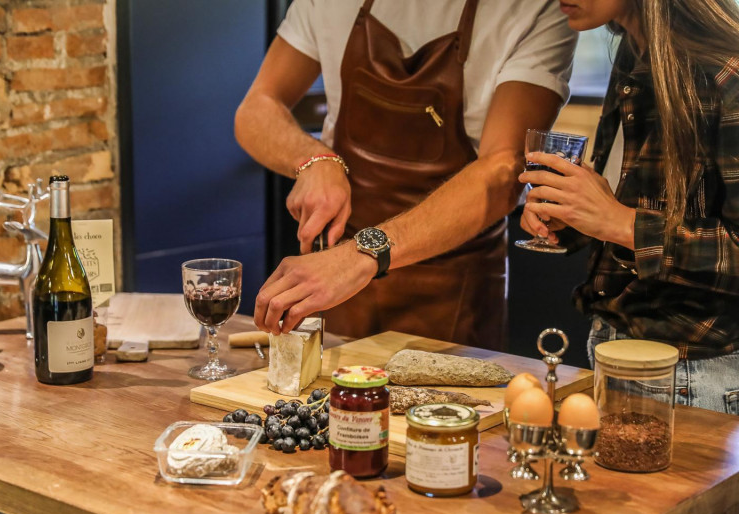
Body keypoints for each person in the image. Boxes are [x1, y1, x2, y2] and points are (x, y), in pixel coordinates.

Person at [237, 0, 576, 349]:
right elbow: (256, 108)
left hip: (452, 290)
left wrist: (363, 255)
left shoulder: (540, 7)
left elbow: (502, 170)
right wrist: (315, 159)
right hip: (336, 280)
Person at [520, 0, 739, 414]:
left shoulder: (727, 74)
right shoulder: (635, 54)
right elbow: (639, 209)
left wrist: (620, 223)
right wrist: (573, 216)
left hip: (693, 376)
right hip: (616, 349)